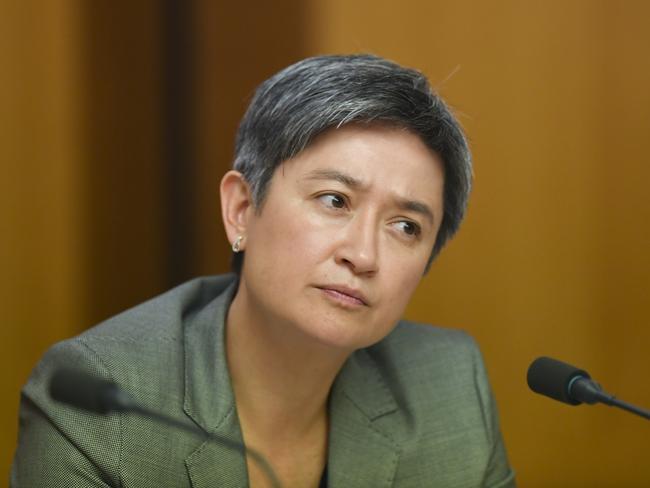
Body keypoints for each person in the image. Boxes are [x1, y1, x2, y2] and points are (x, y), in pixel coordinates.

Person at [11, 54, 516, 487]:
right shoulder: (104, 403)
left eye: (405, 227)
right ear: (241, 209)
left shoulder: (449, 385)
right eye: (335, 200)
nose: (363, 257)